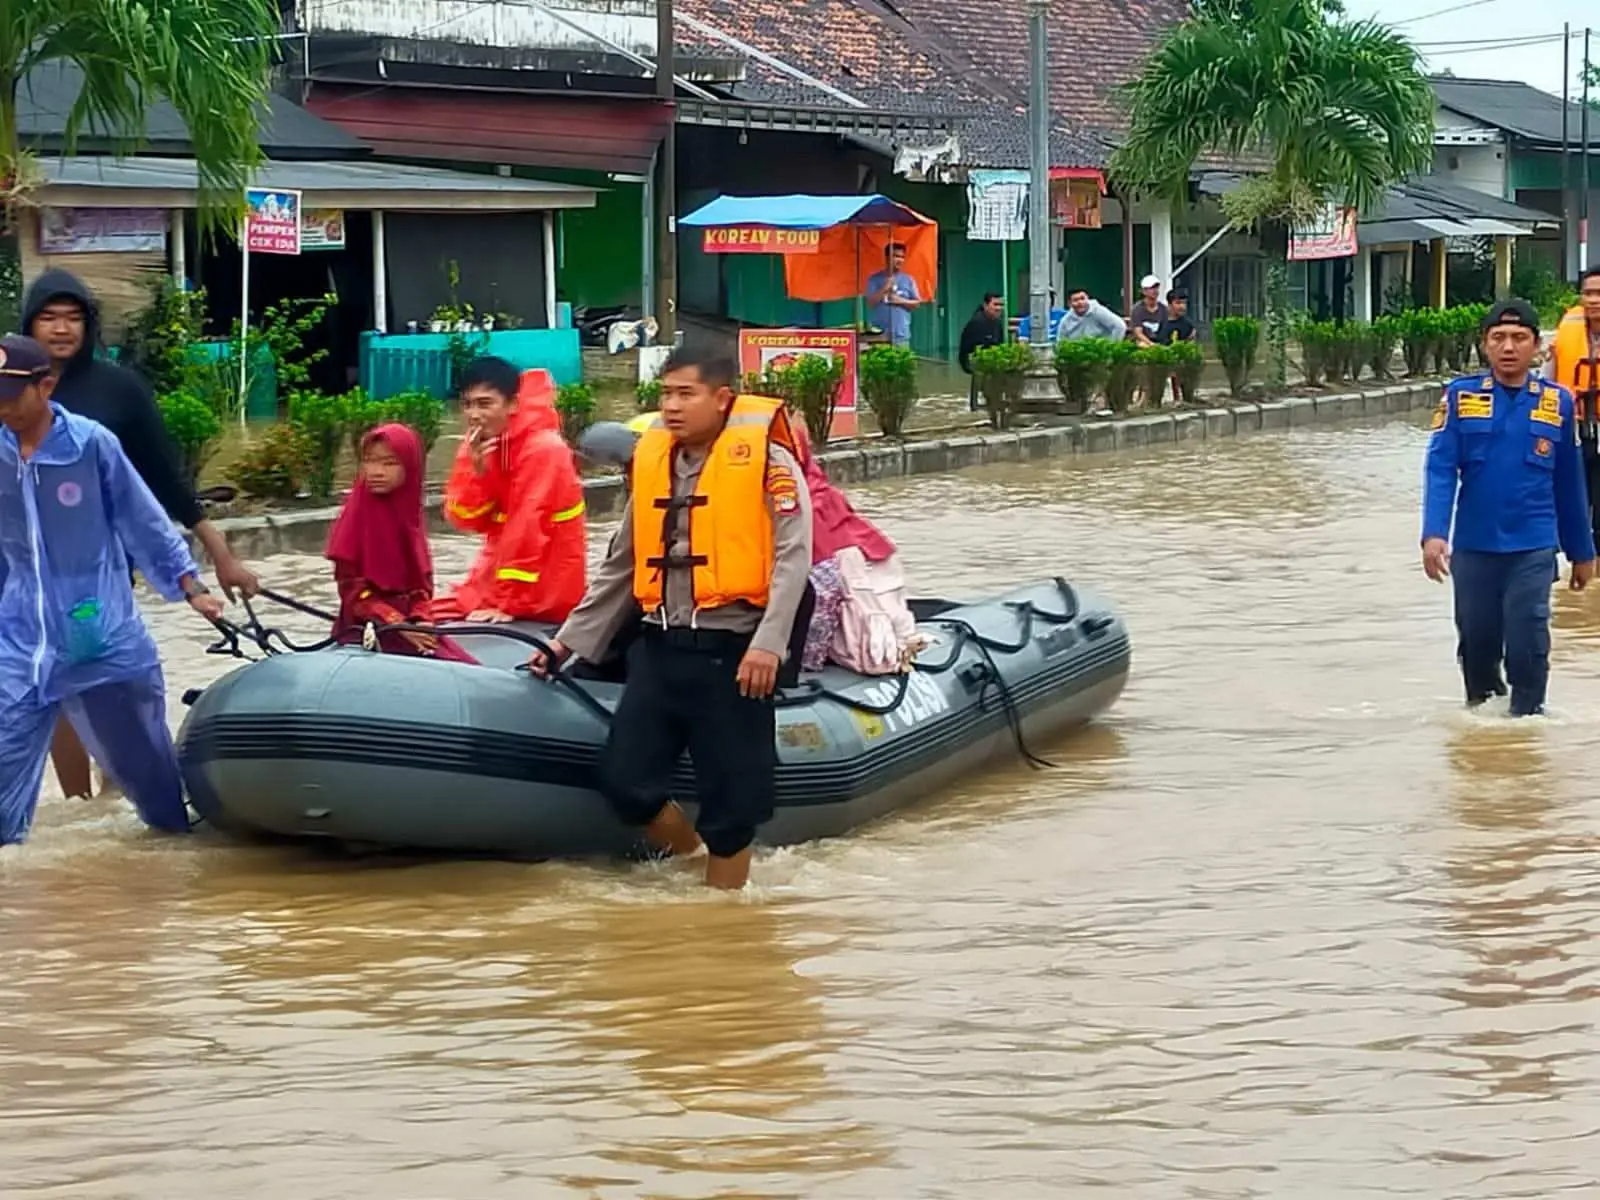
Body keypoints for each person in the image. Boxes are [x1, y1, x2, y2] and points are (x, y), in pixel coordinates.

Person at [530, 346, 813, 890]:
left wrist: (768, 645)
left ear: (722, 398)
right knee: (624, 782)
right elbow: (622, 565)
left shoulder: (769, 465)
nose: (673, 407)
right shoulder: (654, 463)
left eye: (687, 394)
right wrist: (567, 644)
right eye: (666, 394)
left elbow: (793, 559)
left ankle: (724, 920)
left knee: (733, 807)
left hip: (734, 654)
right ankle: (690, 858)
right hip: (660, 649)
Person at [23, 269, 259, 801]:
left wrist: (219, 555)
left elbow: (161, 481)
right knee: (53, 689)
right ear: (28, 323)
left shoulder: (118, 390)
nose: (61, 329)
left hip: (101, 565)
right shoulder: (10, 389)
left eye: (73, 317)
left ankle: (118, 796)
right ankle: (82, 805)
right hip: (25, 571)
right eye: (48, 317)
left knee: (109, 678)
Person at [0, 335, 224, 845]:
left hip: (98, 631)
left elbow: (141, 520)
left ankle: (177, 856)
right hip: (17, 640)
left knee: (149, 775)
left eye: (12, 394)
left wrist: (190, 586)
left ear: (47, 384)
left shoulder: (90, 444)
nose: (3, 406)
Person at [1421, 299, 1596, 717]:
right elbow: (1441, 469)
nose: (1509, 347)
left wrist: (1582, 552)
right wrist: (1433, 534)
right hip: (1474, 547)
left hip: (1533, 546)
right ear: (1485, 345)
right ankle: (1485, 729)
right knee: (1477, 646)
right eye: (1498, 337)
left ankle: (1528, 721)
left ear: (1537, 346)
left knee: (1528, 641)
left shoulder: (1558, 403)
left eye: (1519, 338)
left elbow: (1569, 483)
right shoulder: (1461, 397)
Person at [429, 357, 587, 625]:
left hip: (545, 584)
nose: (474, 414)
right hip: (495, 575)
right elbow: (466, 520)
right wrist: (477, 472)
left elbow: (527, 527)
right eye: (467, 404)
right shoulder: (483, 443)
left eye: (485, 403)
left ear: (513, 404)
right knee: (417, 615)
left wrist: (509, 603)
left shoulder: (544, 449)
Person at [325, 423, 475, 662]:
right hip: (368, 630)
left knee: (466, 670)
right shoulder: (354, 518)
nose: (376, 471)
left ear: (410, 468)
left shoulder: (409, 516)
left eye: (389, 463)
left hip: (414, 629)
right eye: (369, 461)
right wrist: (399, 625)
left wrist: (422, 620)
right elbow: (354, 594)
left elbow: (420, 588)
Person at [788, 421, 920, 674]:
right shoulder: (820, 492)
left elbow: (824, 587)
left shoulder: (802, 504)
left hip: (844, 577)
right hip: (867, 564)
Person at [1547, 265, 1600, 547]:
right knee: (1569, 507)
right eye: (1588, 293)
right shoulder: (1565, 333)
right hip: (1573, 434)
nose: (1594, 300)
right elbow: (1546, 385)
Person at [865, 243, 922, 348]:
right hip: (879, 336)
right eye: (896, 256)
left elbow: (917, 303)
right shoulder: (874, 279)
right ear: (887, 257)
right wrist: (884, 288)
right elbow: (870, 303)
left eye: (902, 257)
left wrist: (900, 300)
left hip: (901, 336)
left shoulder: (908, 280)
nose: (899, 260)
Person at [958, 293, 1007, 411]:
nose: (999, 308)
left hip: (991, 358)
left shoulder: (997, 322)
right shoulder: (977, 322)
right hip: (974, 359)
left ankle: (996, 403)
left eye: (1001, 305)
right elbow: (967, 349)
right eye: (995, 304)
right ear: (986, 305)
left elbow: (1000, 345)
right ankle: (977, 405)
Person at [1055, 287, 1127, 343]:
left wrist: (1111, 347)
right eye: (1076, 300)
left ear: (1088, 299)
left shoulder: (1098, 311)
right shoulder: (1065, 321)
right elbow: (1060, 342)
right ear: (1069, 304)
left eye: (1082, 298)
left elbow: (1120, 326)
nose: (1080, 302)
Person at [1130, 274, 1167, 344]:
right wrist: (1151, 344)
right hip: (1143, 342)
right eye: (1151, 288)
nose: (1155, 290)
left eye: (1156, 287)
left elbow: (1165, 330)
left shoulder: (1163, 309)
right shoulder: (1137, 309)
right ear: (1144, 291)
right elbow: (1138, 333)